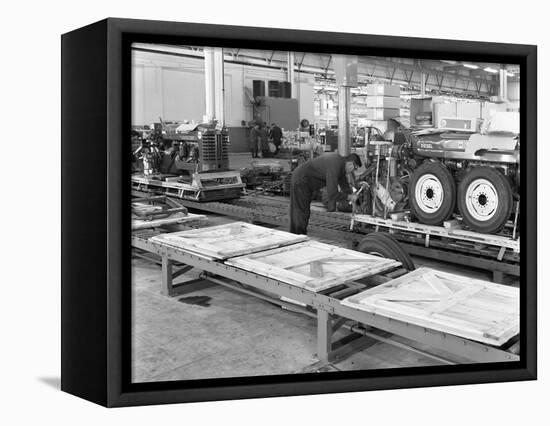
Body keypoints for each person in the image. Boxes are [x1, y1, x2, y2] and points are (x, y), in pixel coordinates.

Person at [289, 152, 362, 235]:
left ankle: (297, 234)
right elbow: (332, 194)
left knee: (302, 211)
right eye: (355, 168)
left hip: (306, 182)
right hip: (301, 180)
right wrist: (349, 197)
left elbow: (345, 188)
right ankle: (298, 236)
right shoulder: (335, 165)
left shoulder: (341, 166)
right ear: (350, 164)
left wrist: (355, 200)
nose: (354, 171)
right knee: (301, 211)